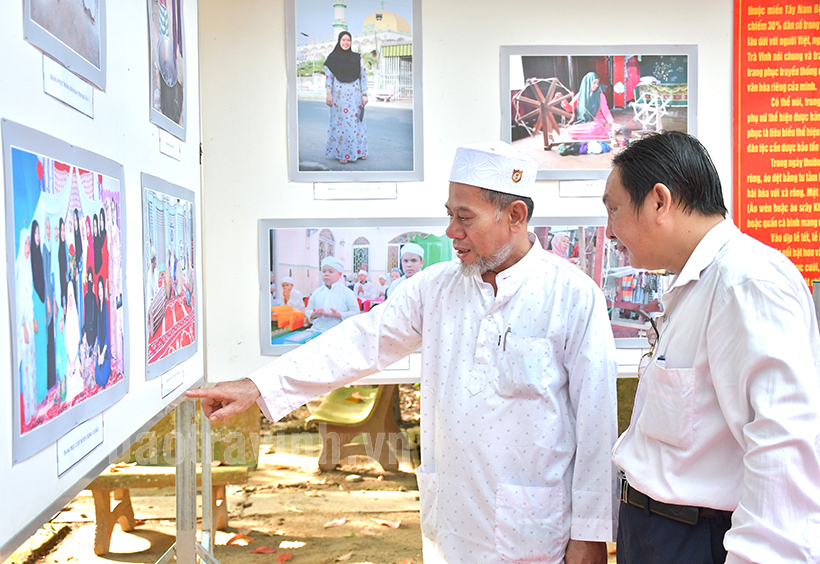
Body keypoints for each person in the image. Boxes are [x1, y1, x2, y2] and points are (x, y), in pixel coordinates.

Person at [187, 140, 619, 564]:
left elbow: (596, 421)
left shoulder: (572, 295)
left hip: (537, 532)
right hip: (453, 528)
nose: (452, 231)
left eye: (465, 218)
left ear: (515, 216)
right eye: (450, 215)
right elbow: (359, 342)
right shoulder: (436, 288)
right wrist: (258, 385)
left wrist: (591, 535)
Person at [605, 131, 820, 564]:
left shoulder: (746, 282)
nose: (609, 231)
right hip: (658, 532)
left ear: (659, 202)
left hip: (694, 539)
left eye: (613, 209)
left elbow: (782, 442)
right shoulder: (696, 284)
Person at [324, 30, 368, 164]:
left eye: (348, 40)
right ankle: (343, 153)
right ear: (339, 41)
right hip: (339, 96)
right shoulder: (332, 59)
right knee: (341, 125)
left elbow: (363, 76)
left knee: (357, 123)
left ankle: (360, 151)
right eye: (343, 40)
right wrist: (329, 94)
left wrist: (364, 94)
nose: (346, 43)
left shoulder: (358, 58)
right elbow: (328, 78)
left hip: (355, 95)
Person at [303, 256, 360, 333]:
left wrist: (337, 315)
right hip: (316, 330)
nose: (326, 274)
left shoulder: (347, 292)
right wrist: (314, 314)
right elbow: (308, 310)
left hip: (339, 332)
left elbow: (356, 313)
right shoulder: (317, 292)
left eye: (330, 271)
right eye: (324, 271)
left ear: (340, 274)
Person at [561, 71, 620, 141]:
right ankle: (603, 133)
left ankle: (606, 132)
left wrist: (612, 123)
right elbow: (570, 108)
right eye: (594, 83)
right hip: (584, 123)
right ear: (588, 82)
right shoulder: (580, 95)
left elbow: (606, 111)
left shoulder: (600, 96)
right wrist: (562, 100)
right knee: (570, 130)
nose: (596, 85)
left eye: (597, 83)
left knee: (593, 129)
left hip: (597, 123)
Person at [16, 230, 37, 424]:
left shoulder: (27, 267)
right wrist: (23, 326)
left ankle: (31, 412)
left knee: (32, 364)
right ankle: (27, 413)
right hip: (24, 325)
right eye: (27, 244)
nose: (29, 248)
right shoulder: (20, 270)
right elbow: (21, 302)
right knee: (26, 368)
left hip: (29, 321)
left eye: (30, 244)